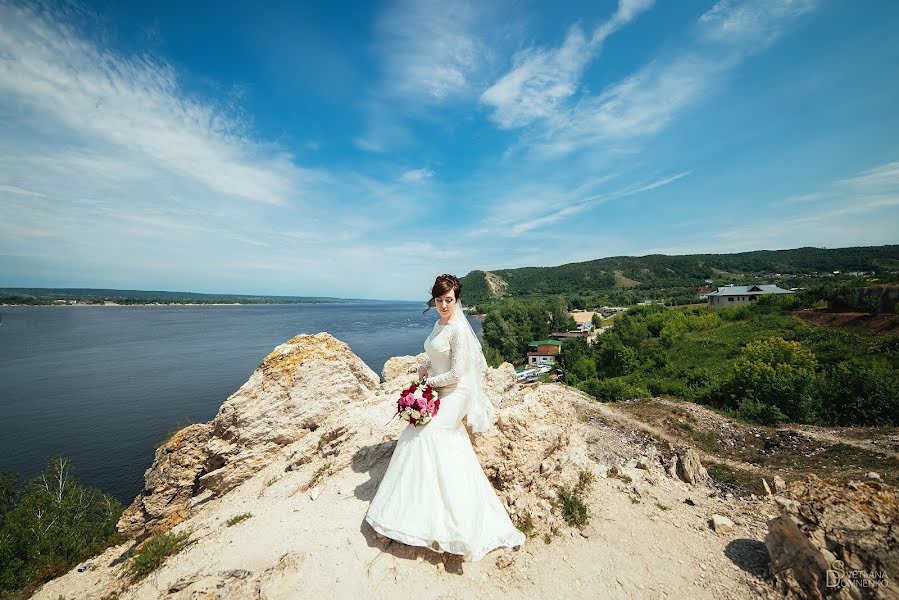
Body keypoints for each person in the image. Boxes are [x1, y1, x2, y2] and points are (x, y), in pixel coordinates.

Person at [364, 274, 526, 562]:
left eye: (448, 300)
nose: (443, 305)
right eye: (439, 300)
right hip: (440, 386)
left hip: (456, 391)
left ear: (457, 298)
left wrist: (427, 385)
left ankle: (454, 517)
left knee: (429, 432)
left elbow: (456, 373)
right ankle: (417, 510)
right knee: (415, 432)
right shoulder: (439, 325)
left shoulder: (459, 330)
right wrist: (425, 366)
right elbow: (437, 355)